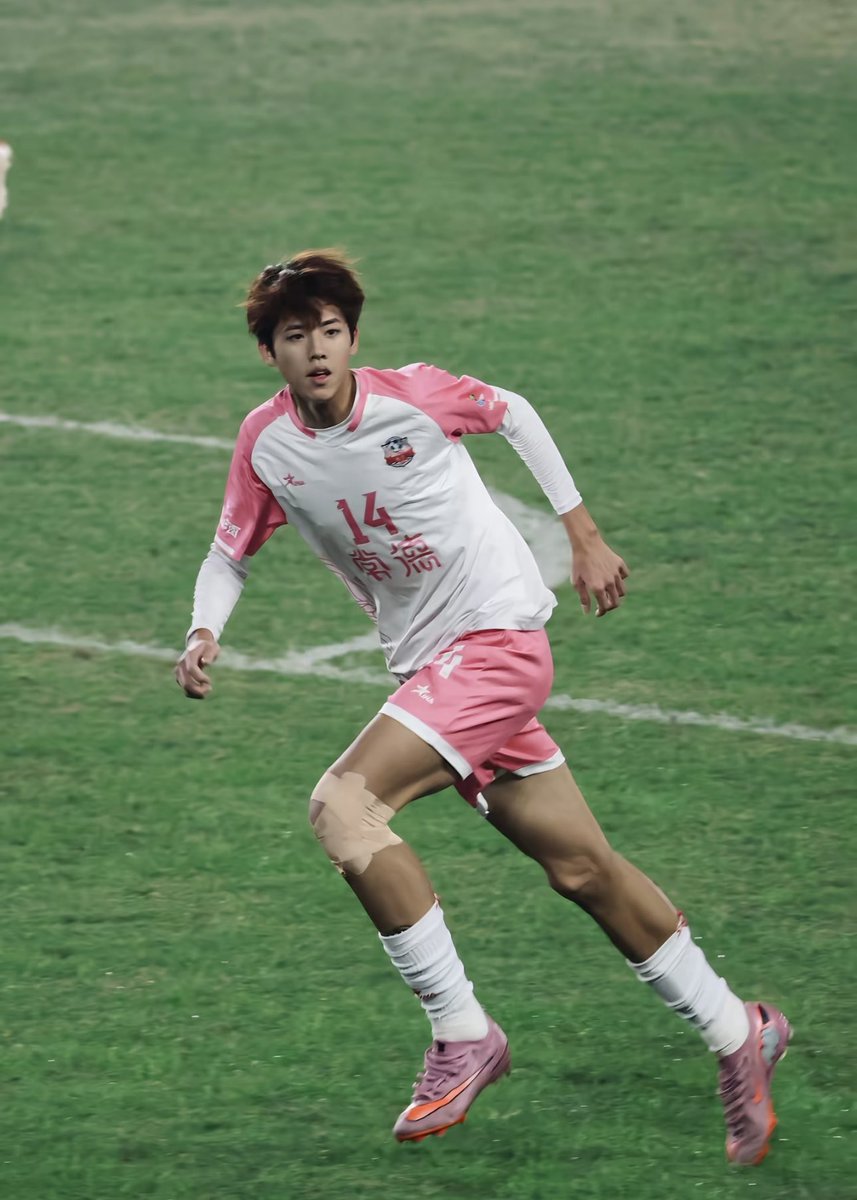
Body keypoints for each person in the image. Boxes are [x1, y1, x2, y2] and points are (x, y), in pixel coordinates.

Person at [175, 249, 790, 1164]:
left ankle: (463, 1031)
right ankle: (739, 1031)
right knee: (581, 869)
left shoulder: (414, 398)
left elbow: (513, 411)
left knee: (344, 809)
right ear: (270, 351)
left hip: (495, 643)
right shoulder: (266, 443)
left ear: (353, 338)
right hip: (434, 668)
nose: (317, 350)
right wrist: (202, 631)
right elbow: (229, 551)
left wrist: (582, 532)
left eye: (331, 331)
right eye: (296, 335)